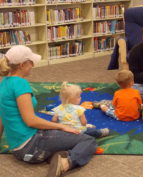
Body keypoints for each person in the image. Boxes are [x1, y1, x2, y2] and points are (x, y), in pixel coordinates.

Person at [0, 45, 97, 177]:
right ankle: (67, 163)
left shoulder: (4, 82)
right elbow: (31, 121)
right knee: (89, 141)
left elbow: (2, 116)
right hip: (31, 145)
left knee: (61, 133)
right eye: (31, 62)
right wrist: (61, 126)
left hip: (17, 149)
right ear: (22, 65)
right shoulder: (20, 84)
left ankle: (55, 156)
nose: (33, 65)